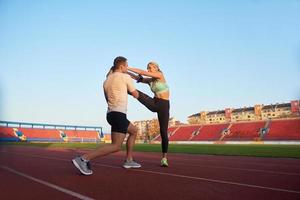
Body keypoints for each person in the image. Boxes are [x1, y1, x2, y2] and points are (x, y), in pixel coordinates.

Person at [72, 56, 141, 175]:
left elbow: (106, 98)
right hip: (119, 114)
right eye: (126, 66)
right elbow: (135, 94)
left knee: (134, 131)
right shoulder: (125, 77)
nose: (127, 68)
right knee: (116, 146)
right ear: (121, 66)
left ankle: (129, 160)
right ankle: (84, 159)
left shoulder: (107, 81)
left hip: (111, 113)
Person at [127, 62, 170, 167]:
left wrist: (128, 67)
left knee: (163, 132)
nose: (148, 69)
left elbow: (142, 73)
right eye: (148, 68)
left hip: (164, 105)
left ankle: (164, 158)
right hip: (155, 103)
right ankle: (128, 90)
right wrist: (125, 71)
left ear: (156, 68)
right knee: (139, 95)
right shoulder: (151, 81)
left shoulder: (160, 76)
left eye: (150, 68)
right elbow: (139, 78)